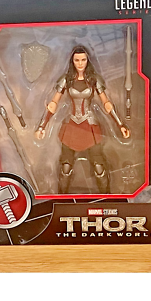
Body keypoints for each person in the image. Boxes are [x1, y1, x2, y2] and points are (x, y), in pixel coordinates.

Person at [35, 46, 130, 194]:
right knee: (65, 168)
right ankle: (62, 199)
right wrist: (42, 126)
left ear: (87, 60)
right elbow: (53, 104)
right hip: (71, 125)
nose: (80, 63)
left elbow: (106, 103)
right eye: (77, 60)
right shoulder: (66, 80)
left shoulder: (94, 79)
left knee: (99, 167)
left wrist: (120, 124)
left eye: (83, 60)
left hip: (90, 125)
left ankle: (107, 198)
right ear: (72, 61)